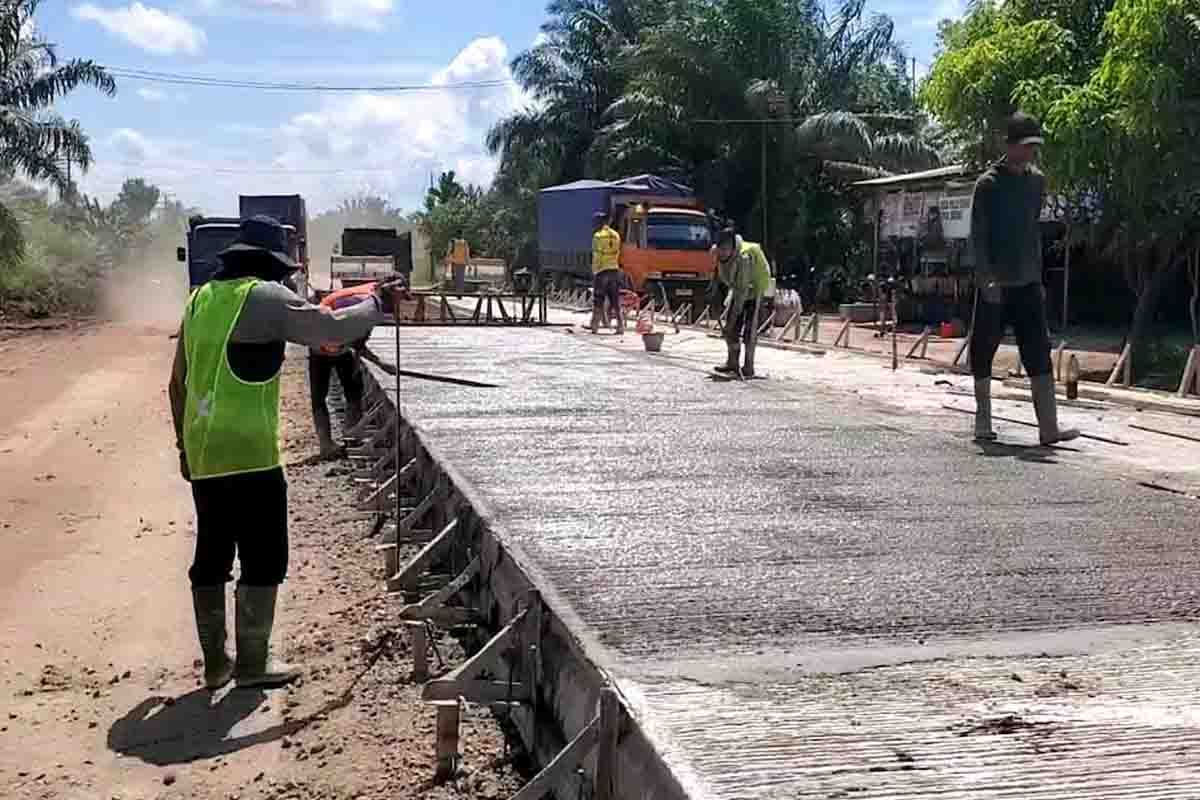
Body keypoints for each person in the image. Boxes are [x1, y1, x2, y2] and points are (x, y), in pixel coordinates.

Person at [168, 215, 405, 691]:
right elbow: (327, 329)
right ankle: (253, 664)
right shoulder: (264, 297)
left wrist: (184, 446)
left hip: (205, 451)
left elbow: (177, 383)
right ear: (269, 264)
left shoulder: (200, 302)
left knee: (212, 554)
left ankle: (216, 664)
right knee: (264, 556)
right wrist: (377, 302)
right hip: (251, 454)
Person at [969, 111, 1079, 445]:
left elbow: (1032, 230)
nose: (1031, 151)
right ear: (1009, 145)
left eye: (1035, 146)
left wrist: (1037, 277)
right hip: (995, 282)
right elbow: (978, 235)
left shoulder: (1036, 181)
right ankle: (983, 420)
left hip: (1028, 281)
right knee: (984, 348)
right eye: (1026, 145)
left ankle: (1049, 427)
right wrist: (985, 277)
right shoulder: (988, 184)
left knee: (1038, 350)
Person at [309, 282, 399, 460]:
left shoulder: (370, 296)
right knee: (326, 396)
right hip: (323, 339)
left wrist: (360, 360)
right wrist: (380, 363)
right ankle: (337, 443)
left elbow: (358, 338)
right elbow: (356, 341)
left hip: (322, 338)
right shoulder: (367, 304)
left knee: (351, 391)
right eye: (399, 300)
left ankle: (345, 439)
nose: (397, 306)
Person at [710, 228, 771, 377]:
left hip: (753, 291)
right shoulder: (717, 254)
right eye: (720, 249)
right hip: (737, 289)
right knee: (730, 330)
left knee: (749, 331)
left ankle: (748, 366)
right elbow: (720, 279)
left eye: (725, 250)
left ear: (732, 248)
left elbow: (742, 290)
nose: (722, 253)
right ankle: (732, 362)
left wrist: (733, 317)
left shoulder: (744, 258)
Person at [590, 211, 625, 335]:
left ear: (600, 222)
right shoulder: (616, 235)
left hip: (602, 270)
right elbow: (618, 252)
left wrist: (595, 270)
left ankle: (595, 325)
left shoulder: (598, 236)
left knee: (598, 299)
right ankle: (620, 327)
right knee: (615, 300)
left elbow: (597, 255)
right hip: (614, 270)